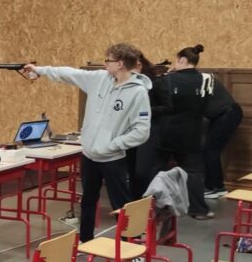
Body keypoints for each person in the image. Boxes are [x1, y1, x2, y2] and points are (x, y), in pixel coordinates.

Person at [23, 44, 151, 244]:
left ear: (119, 64)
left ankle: (130, 247)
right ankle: (86, 240)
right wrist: (39, 70)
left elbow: (141, 131)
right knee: (88, 201)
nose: (104, 63)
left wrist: (112, 145)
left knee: (121, 205)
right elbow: (69, 73)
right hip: (89, 156)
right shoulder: (99, 79)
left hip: (113, 159)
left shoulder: (138, 92)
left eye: (108, 60)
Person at [153, 44, 212, 219]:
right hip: (192, 133)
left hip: (166, 132)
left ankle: (154, 207)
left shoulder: (166, 80)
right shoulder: (207, 79)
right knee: (194, 172)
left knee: (157, 169)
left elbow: (158, 105)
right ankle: (199, 209)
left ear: (182, 60)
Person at [201, 70, 243, 198]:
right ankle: (217, 186)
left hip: (227, 114)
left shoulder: (196, 80)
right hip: (228, 113)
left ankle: (213, 187)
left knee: (210, 150)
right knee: (211, 150)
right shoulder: (202, 77)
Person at [126, 53, 162, 201]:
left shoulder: (155, 82)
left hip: (149, 129)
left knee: (142, 171)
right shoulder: (126, 83)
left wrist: (145, 110)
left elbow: (167, 107)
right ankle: (134, 202)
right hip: (129, 130)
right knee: (131, 170)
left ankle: (146, 201)